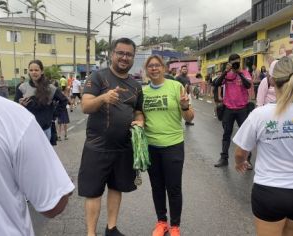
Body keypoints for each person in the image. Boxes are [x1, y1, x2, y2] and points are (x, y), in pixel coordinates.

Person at [0, 7, 74, 235]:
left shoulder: (48, 88)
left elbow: (62, 100)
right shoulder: (11, 115)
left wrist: (53, 113)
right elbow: (53, 204)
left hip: (43, 131)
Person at [233, 56, 293, 236]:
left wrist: (240, 163)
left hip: (270, 191)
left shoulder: (260, 115)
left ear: (272, 80)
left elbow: (240, 152)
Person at [78, 38, 144, 236]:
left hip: (123, 147)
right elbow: (85, 106)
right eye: (120, 53)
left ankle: (111, 228)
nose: (124, 57)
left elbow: (138, 111)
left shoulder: (135, 85)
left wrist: (140, 121)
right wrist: (103, 97)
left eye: (129, 54)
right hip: (97, 147)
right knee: (93, 191)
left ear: (133, 58)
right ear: (112, 54)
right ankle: (91, 233)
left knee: (117, 188)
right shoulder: (98, 77)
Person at [142, 55, 194, 236]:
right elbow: (139, 115)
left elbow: (189, 118)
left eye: (157, 65)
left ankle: (175, 226)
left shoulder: (176, 87)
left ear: (163, 68)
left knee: (173, 187)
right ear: (146, 70)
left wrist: (186, 107)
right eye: (150, 66)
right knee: (157, 186)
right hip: (151, 146)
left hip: (173, 145)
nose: (154, 69)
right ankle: (161, 222)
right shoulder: (144, 92)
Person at [213, 53, 253, 168]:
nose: (236, 64)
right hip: (228, 109)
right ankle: (224, 158)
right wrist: (226, 71)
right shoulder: (227, 74)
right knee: (226, 134)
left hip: (242, 109)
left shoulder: (245, 73)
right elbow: (216, 83)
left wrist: (239, 72)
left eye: (237, 61)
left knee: (245, 135)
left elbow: (248, 86)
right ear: (229, 63)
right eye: (233, 62)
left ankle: (247, 160)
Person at [14, 60, 68, 141]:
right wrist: (20, 105)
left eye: (36, 70)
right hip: (27, 130)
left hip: (45, 129)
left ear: (42, 71)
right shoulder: (22, 88)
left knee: (45, 153)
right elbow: (14, 107)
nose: (33, 72)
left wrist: (54, 115)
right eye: (31, 70)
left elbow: (64, 100)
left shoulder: (50, 88)